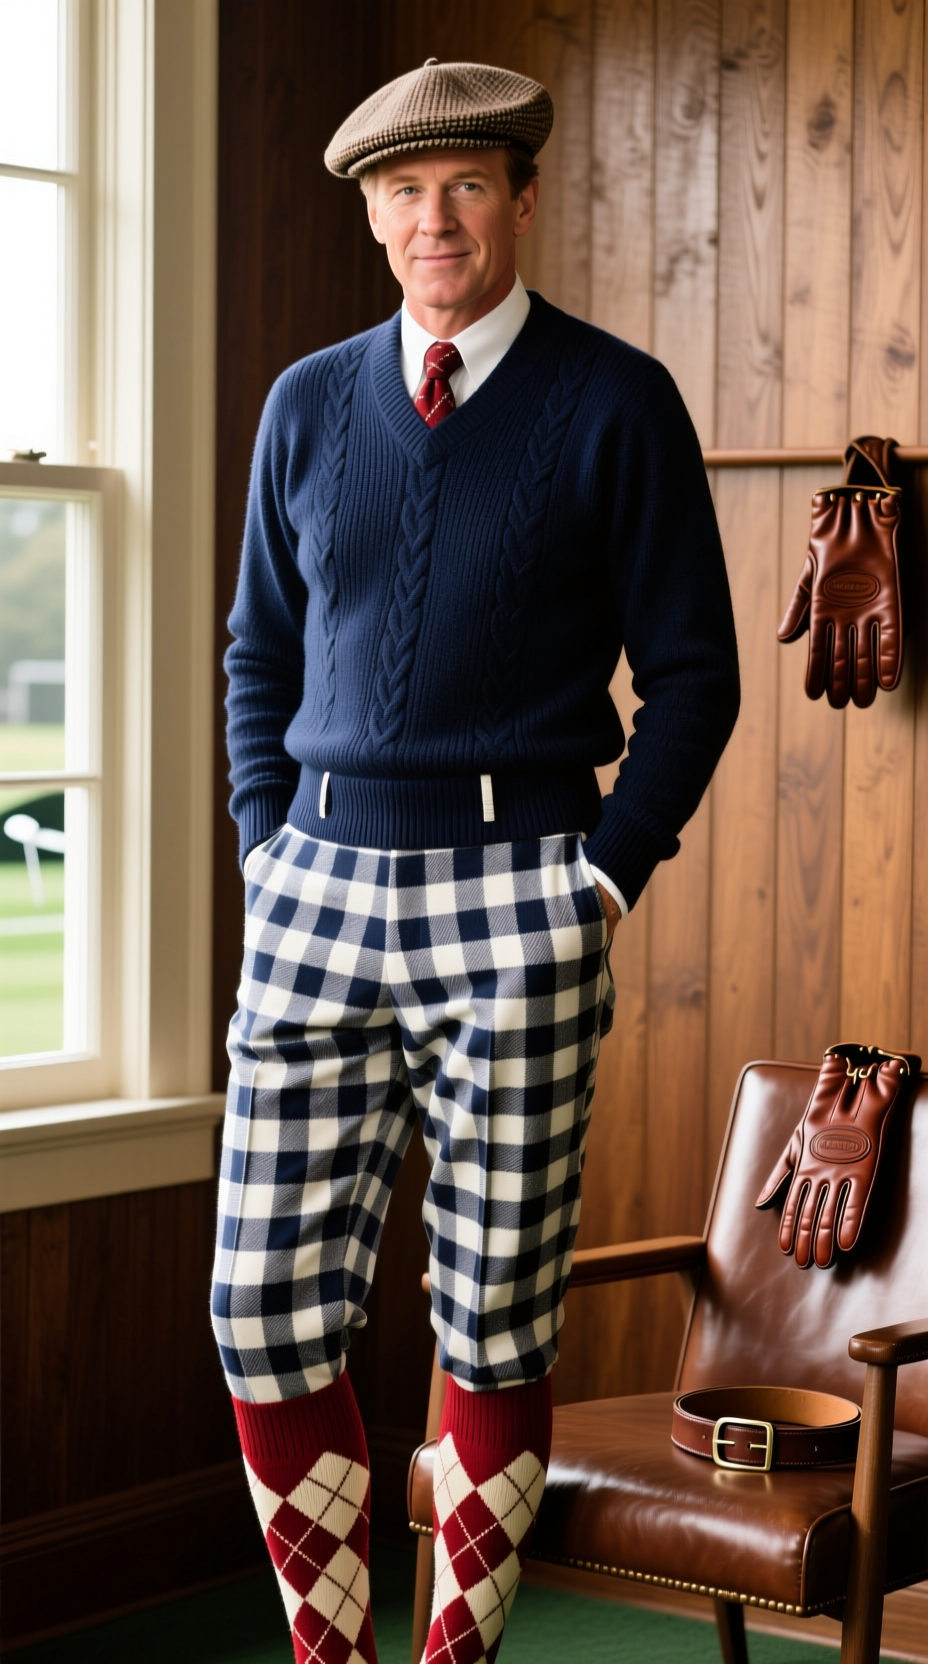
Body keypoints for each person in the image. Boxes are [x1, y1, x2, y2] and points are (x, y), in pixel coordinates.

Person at [211, 57, 740, 1664]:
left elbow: (698, 674)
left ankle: (456, 1659)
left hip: (523, 892)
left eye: (462, 186)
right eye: (401, 192)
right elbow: (257, 656)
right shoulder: (307, 402)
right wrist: (262, 846)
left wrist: (601, 878)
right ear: (370, 218)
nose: (430, 219)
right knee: (261, 1312)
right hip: (316, 884)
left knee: (493, 1312)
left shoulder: (617, 398)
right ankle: (335, 1652)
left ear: (518, 198)